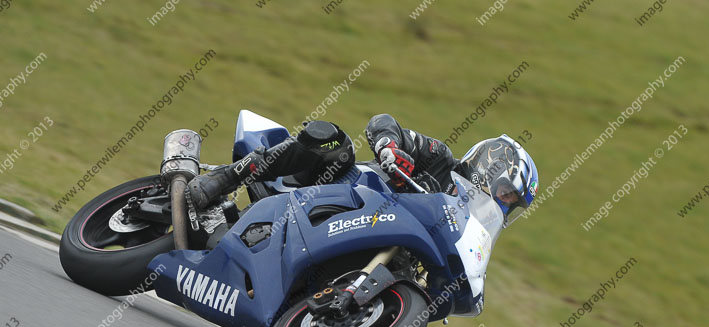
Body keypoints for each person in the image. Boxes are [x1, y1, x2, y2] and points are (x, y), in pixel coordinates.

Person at [187, 114, 538, 224]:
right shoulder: (441, 159)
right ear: (492, 167)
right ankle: (223, 179)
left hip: (366, 229)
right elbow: (386, 123)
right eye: (508, 193)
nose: (505, 203)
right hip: (349, 187)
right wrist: (389, 147)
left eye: (513, 203)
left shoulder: (463, 226)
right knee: (335, 146)